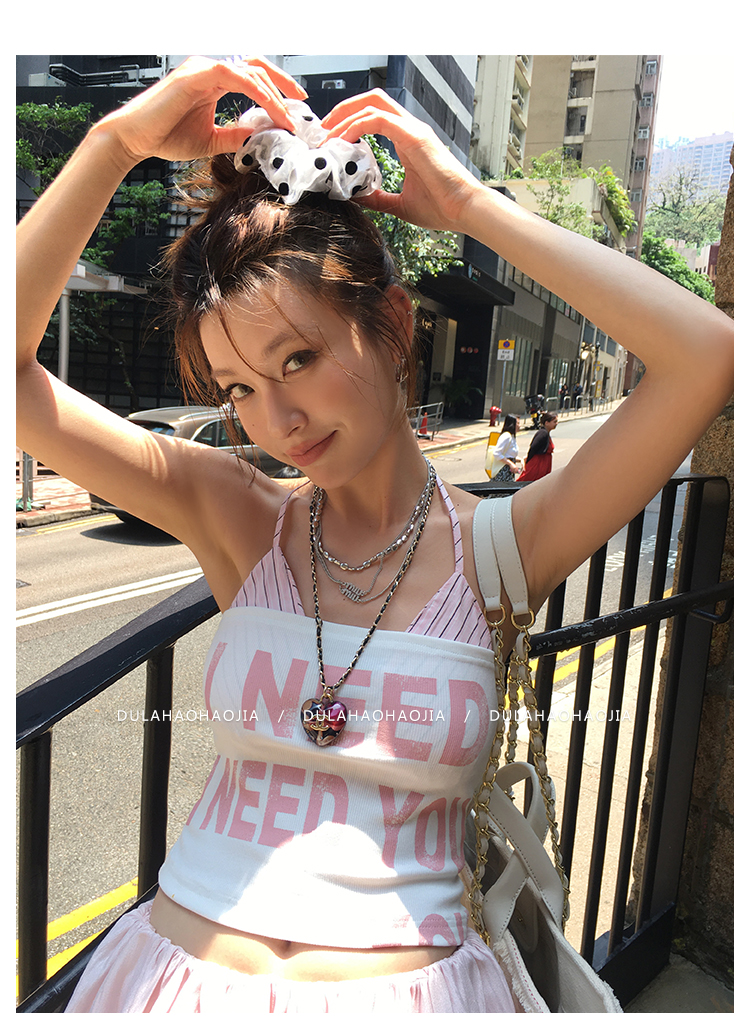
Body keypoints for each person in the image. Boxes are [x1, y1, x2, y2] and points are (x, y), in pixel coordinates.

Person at [16, 57, 733, 1014]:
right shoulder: (237, 515)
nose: (276, 420)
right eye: (238, 389)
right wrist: (114, 145)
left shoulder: (504, 547)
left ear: (392, 324)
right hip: (170, 987)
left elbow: (705, 355)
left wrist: (472, 208)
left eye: (298, 360)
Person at [516, 412, 558, 482]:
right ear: (547, 423)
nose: (556, 423)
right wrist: (528, 460)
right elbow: (533, 447)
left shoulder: (545, 433)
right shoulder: (543, 433)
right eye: (554, 422)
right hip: (538, 463)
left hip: (542, 463)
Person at [490, 414, 521, 481]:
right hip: (502, 471)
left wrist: (520, 460)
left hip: (509, 471)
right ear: (512, 424)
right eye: (518, 423)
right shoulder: (506, 436)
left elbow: (509, 454)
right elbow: (496, 453)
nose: (519, 426)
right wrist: (510, 463)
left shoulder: (512, 436)